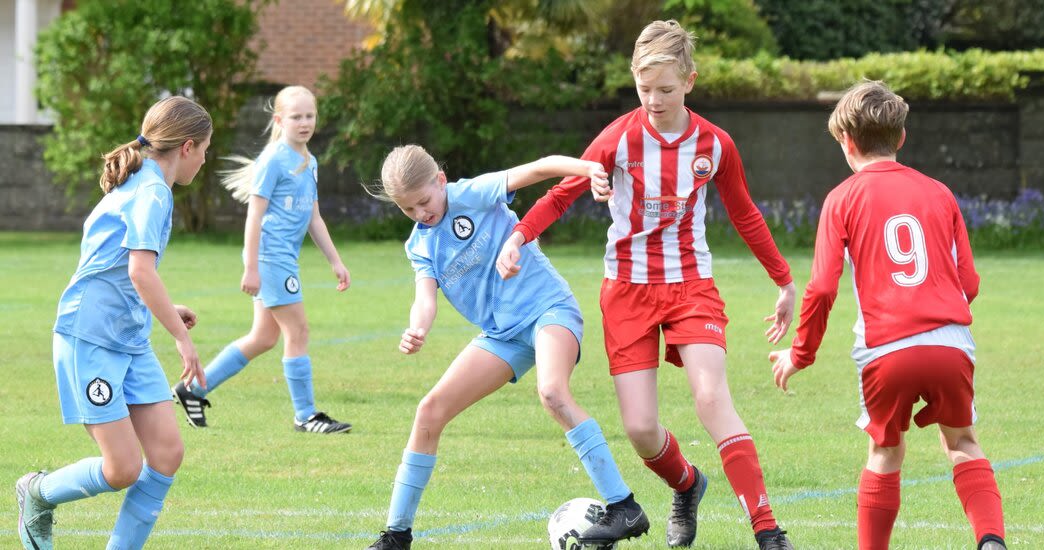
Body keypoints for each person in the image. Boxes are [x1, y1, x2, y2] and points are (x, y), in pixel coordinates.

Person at [497, 20, 796, 549]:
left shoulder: (715, 144)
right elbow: (564, 193)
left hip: (690, 285)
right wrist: (519, 235)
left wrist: (783, 280)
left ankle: (768, 530)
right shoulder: (619, 137)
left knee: (711, 397)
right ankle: (688, 484)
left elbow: (745, 212)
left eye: (666, 89)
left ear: (690, 81)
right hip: (627, 291)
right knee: (640, 429)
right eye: (644, 89)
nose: (654, 100)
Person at [362, 145, 650, 550]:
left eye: (424, 202)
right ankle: (396, 534)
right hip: (502, 335)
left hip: (549, 310)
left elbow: (538, 167)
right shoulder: (420, 245)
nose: (420, 214)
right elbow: (425, 297)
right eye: (407, 210)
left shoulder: (472, 194)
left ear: (440, 181)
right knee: (429, 412)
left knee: (552, 392)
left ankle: (624, 506)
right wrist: (417, 328)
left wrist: (587, 168)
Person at [768, 80, 1006, 550]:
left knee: (884, 451)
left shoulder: (841, 199)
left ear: (845, 141)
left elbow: (820, 288)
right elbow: (970, 283)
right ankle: (991, 541)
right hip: (950, 342)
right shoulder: (939, 192)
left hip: (887, 347)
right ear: (901, 138)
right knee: (962, 442)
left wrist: (800, 355)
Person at [15, 97, 212, 550]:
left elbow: (122, 268)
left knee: (165, 454)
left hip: (127, 336)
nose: (204, 160)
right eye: (204, 149)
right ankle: (37, 494)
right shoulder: (150, 191)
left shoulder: (144, 179)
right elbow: (139, 271)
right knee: (121, 468)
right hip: (90, 337)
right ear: (187, 147)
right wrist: (182, 339)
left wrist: (164, 308)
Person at [172, 85, 352, 434]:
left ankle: (193, 390)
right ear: (279, 120)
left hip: (283, 259)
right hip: (271, 260)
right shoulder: (273, 160)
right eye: (296, 116)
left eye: (310, 116)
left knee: (263, 338)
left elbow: (314, 217)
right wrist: (251, 267)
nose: (304, 123)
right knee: (298, 331)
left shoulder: (310, 162)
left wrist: (335, 261)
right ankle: (306, 416)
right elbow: (254, 216)